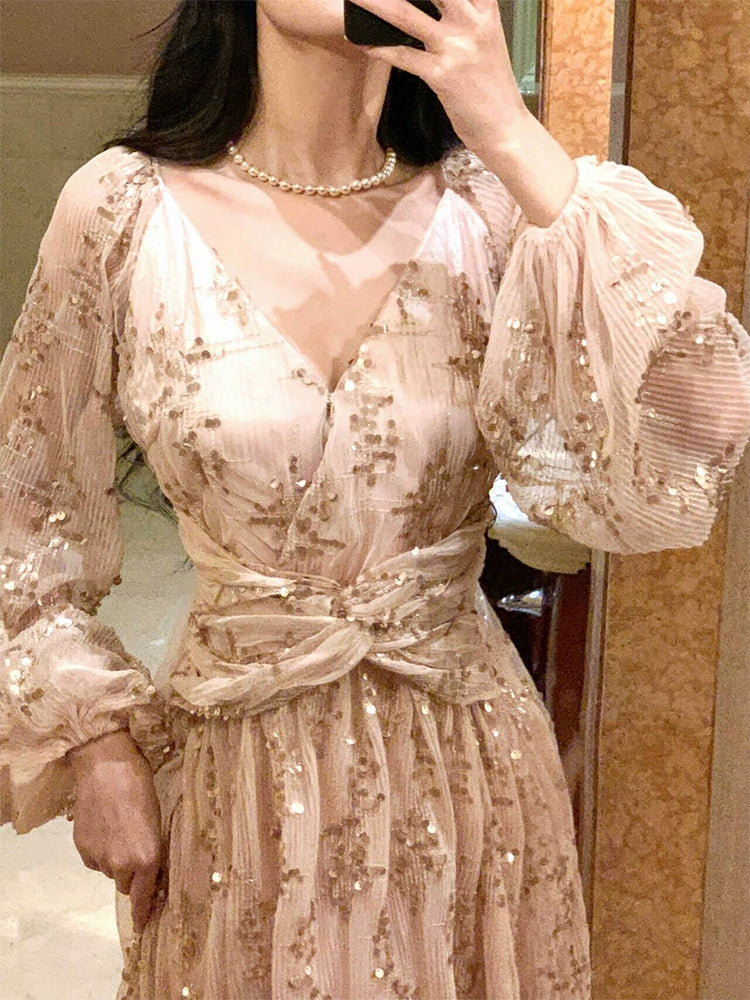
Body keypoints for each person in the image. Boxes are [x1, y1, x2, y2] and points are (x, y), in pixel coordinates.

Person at [1, 1, 749, 998]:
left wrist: (514, 137)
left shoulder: (492, 207)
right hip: (239, 767)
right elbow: (22, 511)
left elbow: (688, 437)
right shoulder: (122, 208)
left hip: (468, 764)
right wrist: (94, 744)